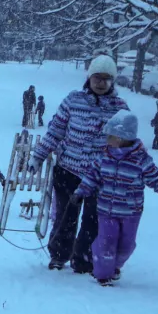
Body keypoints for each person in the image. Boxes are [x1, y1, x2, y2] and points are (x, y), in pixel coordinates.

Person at [72, 111, 158, 286]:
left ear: (121, 137)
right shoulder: (103, 157)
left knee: (126, 246)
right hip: (106, 211)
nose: (106, 139)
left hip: (130, 212)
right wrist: (80, 193)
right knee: (106, 242)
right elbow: (91, 177)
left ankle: (114, 267)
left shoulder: (141, 160)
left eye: (110, 136)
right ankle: (103, 274)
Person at [29, 55, 129, 273]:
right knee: (66, 217)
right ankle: (59, 254)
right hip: (68, 171)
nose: (101, 83)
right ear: (89, 77)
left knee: (93, 220)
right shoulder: (73, 100)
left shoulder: (120, 108)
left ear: (112, 81)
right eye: (97, 77)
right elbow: (55, 131)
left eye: (106, 78)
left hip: (100, 177)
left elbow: (125, 142)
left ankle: (83, 258)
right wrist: (38, 156)